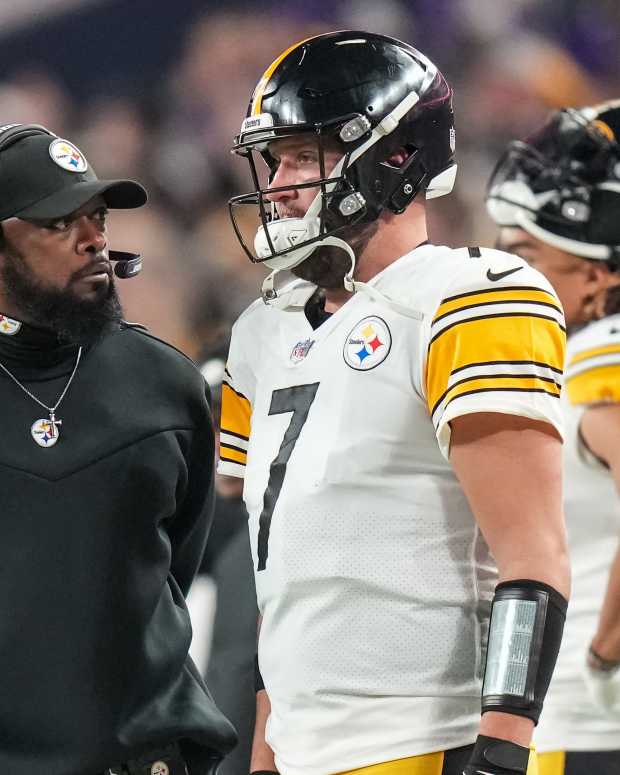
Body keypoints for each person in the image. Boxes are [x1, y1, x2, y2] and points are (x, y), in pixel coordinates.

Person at [219, 31, 570, 775]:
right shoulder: (262, 331)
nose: (278, 183)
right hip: (305, 743)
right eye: (274, 158)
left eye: (303, 156)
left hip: (429, 737)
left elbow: (533, 557)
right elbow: (286, 570)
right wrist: (266, 745)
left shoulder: (468, 295)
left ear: (395, 157)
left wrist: (503, 748)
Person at [0, 123, 236, 775]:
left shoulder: (164, 382)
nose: (95, 241)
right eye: (59, 223)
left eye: (96, 217)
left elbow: (170, 568)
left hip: (149, 758)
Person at [487, 100, 620, 775]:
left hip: (591, 723)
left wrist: (606, 645)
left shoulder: (601, 355)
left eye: (525, 253)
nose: (505, 273)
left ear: (599, 273)